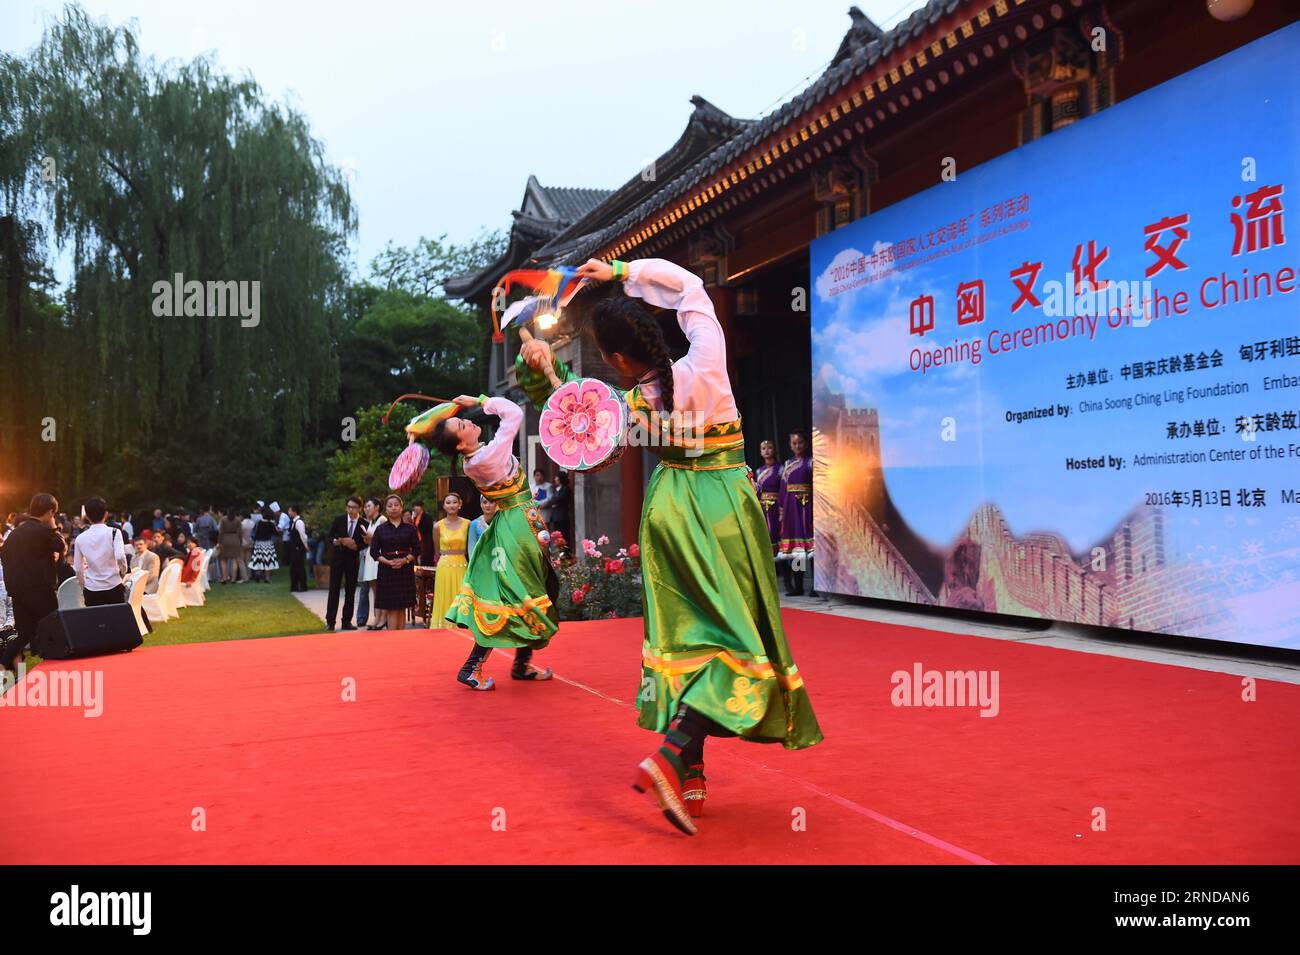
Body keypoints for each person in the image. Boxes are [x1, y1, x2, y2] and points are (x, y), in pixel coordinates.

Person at [518, 257, 823, 836]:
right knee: (739, 644)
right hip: (726, 508)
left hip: (669, 515)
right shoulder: (708, 356)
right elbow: (690, 288)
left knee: (686, 639)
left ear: (616, 360)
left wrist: (551, 379)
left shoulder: (637, 402)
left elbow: (588, 441)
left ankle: (692, 769)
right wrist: (621, 270)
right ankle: (673, 755)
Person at [427, 394, 558, 688]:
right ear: (461, 443)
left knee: (527, 592)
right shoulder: (487, 457)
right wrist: (481, 399)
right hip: (517, 525)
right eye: (463, 423)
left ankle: (519, 664)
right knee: (521, 595)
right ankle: (474, 666)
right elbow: (513, 414)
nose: (470, 421)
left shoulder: (474, 460)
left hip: (516, 521)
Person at [0, 493, 66, 673]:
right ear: (50, 512)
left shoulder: (14, 534)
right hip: (40, 588)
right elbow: (62, 547)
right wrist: (54, 527)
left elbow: (5, 557)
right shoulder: (43, 532)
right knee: (53, 628)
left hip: (17, 590)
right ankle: (56, 668)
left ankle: (2, 664)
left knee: (25, 633)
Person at [368, 493, 420, 630]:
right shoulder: (380, 529)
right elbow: (374, 552)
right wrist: (388, 562)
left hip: (405, 569)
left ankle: (402, 638)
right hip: (386, 570)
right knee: (391, 606)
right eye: (390, 506)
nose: (393, 508)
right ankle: (392, 638)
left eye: (396, 505)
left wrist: (405, 560)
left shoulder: (410, 528)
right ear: (386, 509)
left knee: (402, 605)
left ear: (402, 507)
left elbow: (417, 549)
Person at [779, 430, 815, 597]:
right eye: (794, 443)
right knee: (797, 548)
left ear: (805, 444)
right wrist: (782, 510)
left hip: (807, 506)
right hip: (792, 508)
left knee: (812, 547)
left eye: (800, 442)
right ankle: (798, 586)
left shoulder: (811, 462)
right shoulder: (787, 464)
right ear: (790, 445)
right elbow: (783, 489)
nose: (797, 446)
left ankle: (815, 586)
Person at [74, 497, 128, 606]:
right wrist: (122, 573)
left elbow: (78, 569)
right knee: (116, 621)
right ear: (106, 514)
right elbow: (120, 557)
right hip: (114, 584)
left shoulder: (80, 538)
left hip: (92, 588)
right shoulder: (114, 532)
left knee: (95, 622)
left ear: (87, 517)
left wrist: (84, 586)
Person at [427, 493, 468, 631]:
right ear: (444, 506)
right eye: (448, 502)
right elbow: (437, 550)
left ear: (460, 504)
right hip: (444, 566)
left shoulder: (468, 524)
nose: (451, 505)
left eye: (454, 502)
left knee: (462, 595)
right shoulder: (437, 526)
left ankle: (462, 625)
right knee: (444, 597)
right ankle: (442, 626)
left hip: (462, 565)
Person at [325, 497, 366, 631]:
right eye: (348, 506)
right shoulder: (339, 520)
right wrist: (337, 541)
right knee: (334, 590)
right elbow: (330, 536)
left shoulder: (363, 523)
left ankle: (346, 621)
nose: (350, 509)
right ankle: (330, 622)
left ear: (360, 508)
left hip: (353, 560)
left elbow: (365, 542)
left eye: (354, 507)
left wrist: (355, 545)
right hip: (337, 559)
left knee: (350, 591)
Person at [755, 439, 782, 557]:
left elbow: (783, 489)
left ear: (774, 450)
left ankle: (786, 572)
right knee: (766, 535)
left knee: (778, 533)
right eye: (763, 448)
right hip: (763, 508)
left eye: (769, 447)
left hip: (776, 507)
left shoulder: (781, 468)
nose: (766, 451)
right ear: (760, 452)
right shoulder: (759, 471)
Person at [358, 498, 382, 629]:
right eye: (365, 507)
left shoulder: (382, 520)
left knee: (379, 590)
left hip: (377, 557)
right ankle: (377, 617)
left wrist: (370, 538)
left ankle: (380, 618)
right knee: (374, 590)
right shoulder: (371, 522)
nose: (366, 509)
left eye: (369, 506)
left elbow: (383, 538)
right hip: (370, 556)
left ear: (377, 507)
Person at [249, 505, 279, 582]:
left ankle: (258, 574)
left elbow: (254, 534)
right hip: (268, 544)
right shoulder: (271, 524)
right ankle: (267, 578)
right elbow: (276, 534)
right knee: (269, 560)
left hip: (259, 543)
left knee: (259, 559)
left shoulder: (258, 523)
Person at [287, 505, 309, 592]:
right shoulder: (293, 522)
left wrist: (306, 545)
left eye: (289, 510)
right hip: (294, 548)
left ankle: (303, 586)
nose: (288, 512)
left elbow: (303, 535)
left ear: (294, 511)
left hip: (298, 548)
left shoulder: (299, 522)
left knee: (299, 567)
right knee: (293, 567)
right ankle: (294, 586)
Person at [217, 507, 242, 584]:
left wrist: (219, 542)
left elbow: (221, 532)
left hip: (225, 539)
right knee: (234, 560)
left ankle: (224, 578)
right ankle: (233, 579)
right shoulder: (238, 520)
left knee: (223, 560)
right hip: (235, 539)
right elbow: (240, 532)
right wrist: (240, 541)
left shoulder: (223, 519)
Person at [412, 501, 435, 568]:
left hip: (426, 540)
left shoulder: (427, 517)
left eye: (418, 506)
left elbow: (430, 529)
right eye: (415, 507)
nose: (416, 508)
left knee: (426, 557)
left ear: (421, 507)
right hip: (419, 540)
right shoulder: (415, 517)